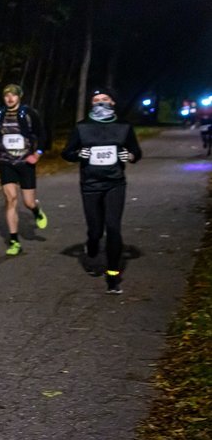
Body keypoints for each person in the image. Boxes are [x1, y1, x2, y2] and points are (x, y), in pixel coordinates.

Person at [61, 87, 142, 294]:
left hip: (115, 183)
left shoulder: (123, 126)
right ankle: (92, 244)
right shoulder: (83, 127)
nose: (100, 102)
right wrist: (79, 153)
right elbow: (67, 153)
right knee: (96, 230)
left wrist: (129, 156)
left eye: (105, 99)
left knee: (113, 228)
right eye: (96, 99)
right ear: (91, 103)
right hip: (90, 184)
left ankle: (113, 276)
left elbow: (136, 152)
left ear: (113, 102)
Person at [0, 83, 48, 255]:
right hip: (6, 162)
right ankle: (14, 242)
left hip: (25, 162)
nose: (10, 98)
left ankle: (36, 210)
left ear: (19, 96)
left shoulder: (29, 114)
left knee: (28, 202)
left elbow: (42, 134)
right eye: (6, 95)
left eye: (13, 95)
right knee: (11, 199)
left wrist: (38, 154)